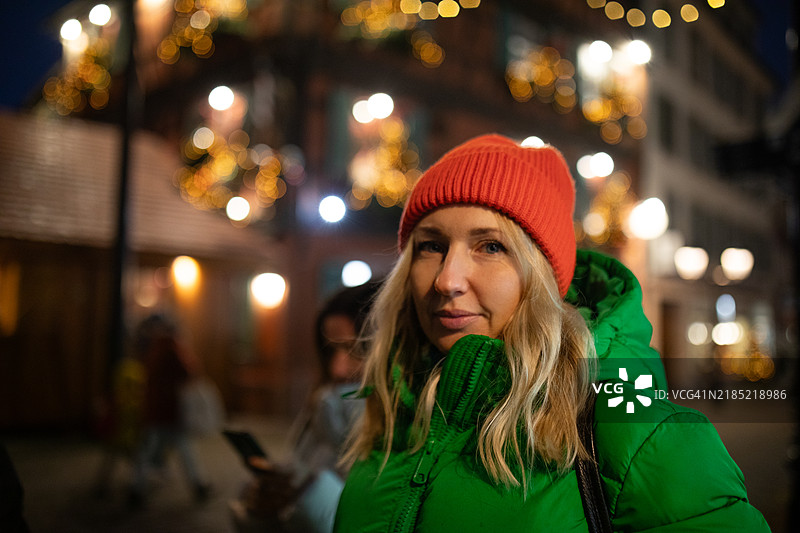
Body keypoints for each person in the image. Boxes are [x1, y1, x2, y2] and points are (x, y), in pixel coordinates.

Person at [333, 134, 769, 531]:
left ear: (542, 277)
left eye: (491, 246)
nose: (448, 280)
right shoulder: (394, 414)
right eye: (431, 245)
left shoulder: (638, 433)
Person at [235, 282, 380, 533]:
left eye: (355, 350)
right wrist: (262, 505)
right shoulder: (324, 404)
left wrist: (307, 492)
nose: (338, 368)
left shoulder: (404, 432)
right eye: (330, 350)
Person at [129, 313, 211, 508]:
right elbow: (190, 372)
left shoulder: (154, 346)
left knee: (149, 449)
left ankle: (136, 487)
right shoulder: (171, 347)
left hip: (154, 408)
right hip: (171, 410)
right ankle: (197, 484)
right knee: (182, 448)